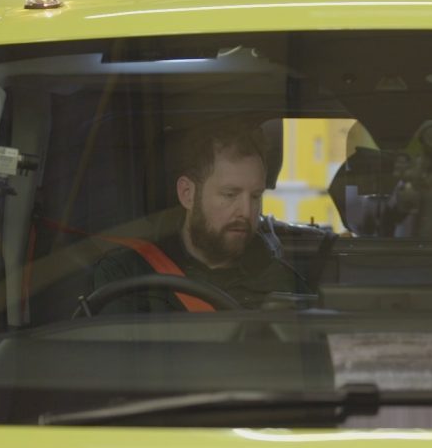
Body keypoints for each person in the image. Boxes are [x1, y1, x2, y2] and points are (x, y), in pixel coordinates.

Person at [92, 120, 304, 312]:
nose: (247, 211)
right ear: (188, 194)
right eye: (230, 195)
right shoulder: (129, 275)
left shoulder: (284, 284)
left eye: (256, 196)